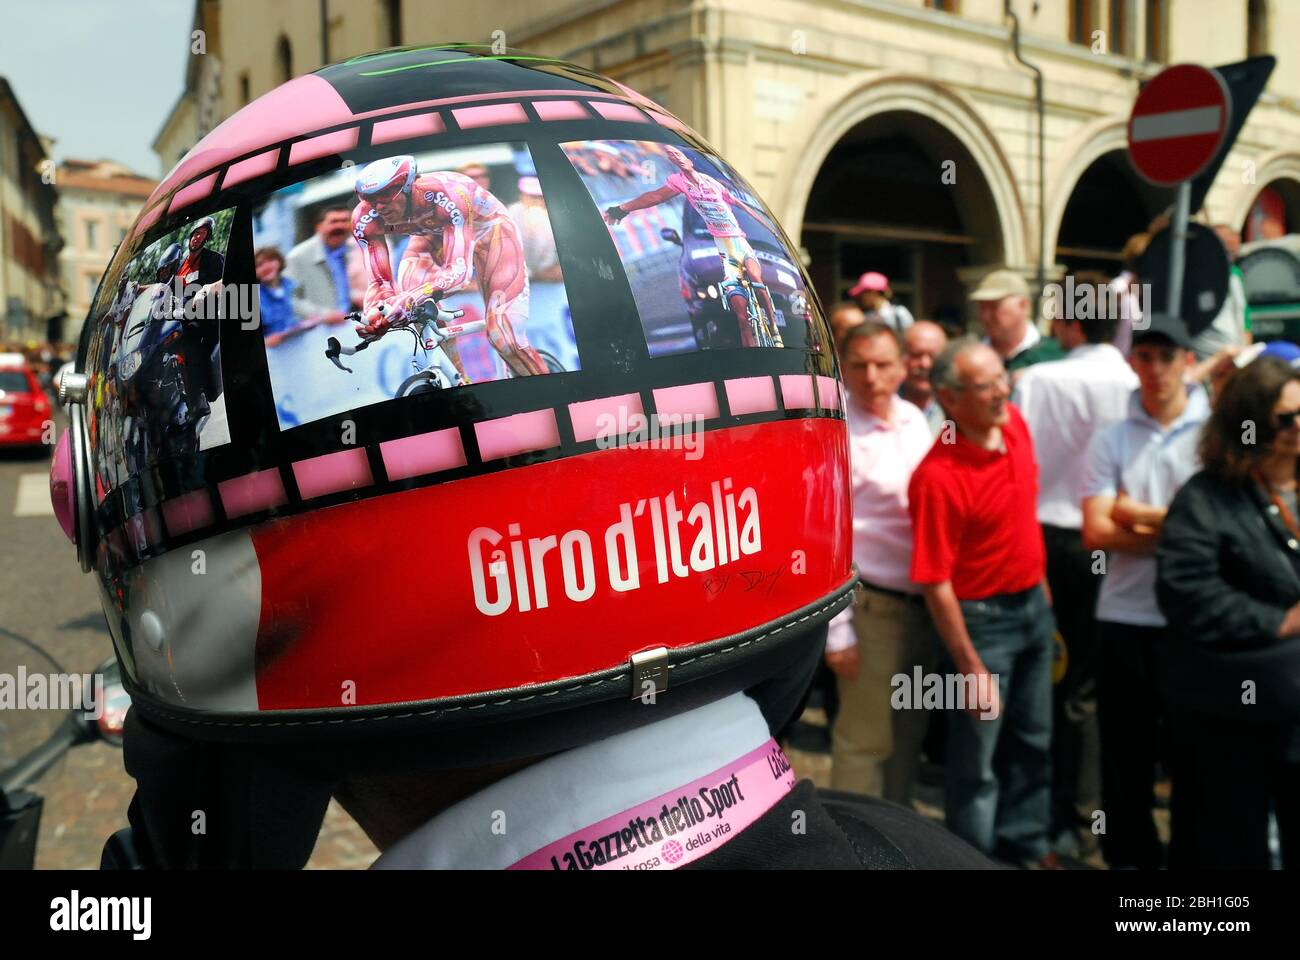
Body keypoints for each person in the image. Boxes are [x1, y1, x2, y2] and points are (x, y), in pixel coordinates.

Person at [56, 45, 995, 872]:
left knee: (504, 337)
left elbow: (461, 249)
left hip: (484, 273)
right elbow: (385, 270)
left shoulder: (459, 203)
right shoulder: (930, 850)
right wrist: (387, 297)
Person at [909, 337, 1058, 867]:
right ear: (949, 398)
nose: (1003, 391)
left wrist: (1041, 591)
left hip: (1032, 609)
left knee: (1035, 739)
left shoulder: (1014, 425)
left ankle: (1026, 844)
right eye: (986, 385)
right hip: (983, 625)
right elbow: (935, 580)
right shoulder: (938, 477)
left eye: (1002, 377)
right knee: (977, 763)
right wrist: (970, 666)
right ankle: (973, 859)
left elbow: (1023, 517)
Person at [1155, 355, 1300, 869]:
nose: (1298, 428)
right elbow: (1186, 592)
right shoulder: (1208, 498)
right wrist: (1279, 621)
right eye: (1285, 419)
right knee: (1229, 849)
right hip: (1233, 715)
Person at [1011, 268, 1138, 853]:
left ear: (1068, 321)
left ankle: (1059, 812)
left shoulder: (1035, 380)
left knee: (1049, 678)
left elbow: (1019, 468)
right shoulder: (1135, 380)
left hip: (1046, 539)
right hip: (1114, 541)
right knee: (1092, 682)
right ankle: (1090, 813)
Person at [1080, 322, 1207, 870]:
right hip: (1126, 615)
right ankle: (1132, 864)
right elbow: (1097, 532)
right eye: (1146, 356)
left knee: (1195, 756)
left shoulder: (1213, 435)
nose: (1155, 367)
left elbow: (1217, 536)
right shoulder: (1112, 436)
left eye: (1166, 356)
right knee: (1125, 754)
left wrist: (1138, 516)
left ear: (1186, 360)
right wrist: (1184, 527)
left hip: (1193, 618)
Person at [824, 321, 937, 804]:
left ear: (903, 367)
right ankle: (852, 848)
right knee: (865, 739)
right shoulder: (836, 427)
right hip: (869, 608)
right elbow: (824, 533)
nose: (872, 377)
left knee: (907, 737)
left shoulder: (914, 417)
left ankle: (896, 839)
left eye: (883, 364)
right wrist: (838, 631)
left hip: (924, 606)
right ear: (842, 368)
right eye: (860, 365)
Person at [351, 155, 549, 377]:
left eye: (386, 195)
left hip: (490, 232)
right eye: (369, 198)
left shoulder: (446, 194)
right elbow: (379, 282)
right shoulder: (365, 217)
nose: (379, 206)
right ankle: (459, 384)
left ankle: (553, 393)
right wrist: (374, 316)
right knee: (413, 298)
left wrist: (410, 299)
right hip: (430, 236)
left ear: (408, 186)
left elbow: (458, 273)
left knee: (503, 338)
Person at [603, 145, 786, 348]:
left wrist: (769, 228)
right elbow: (654, 197)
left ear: (690, 162)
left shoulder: (713, 183)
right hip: (727, 253)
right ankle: (753, 353)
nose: (676, 158)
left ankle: (774, 330)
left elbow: (742, 206)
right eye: (673, 157)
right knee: (742, 318)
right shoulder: (679, 182)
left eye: (679, 155)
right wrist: (622, 209)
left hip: (741, 244)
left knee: (755, 277)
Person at [969, 268, 1063, 373]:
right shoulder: (970, 357)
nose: (985, 316)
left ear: (1023, 305)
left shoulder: (1057, 354)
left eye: (993, 307)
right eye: (982, 308)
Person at [255, 246, 345, 347]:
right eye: (259, 265)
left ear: (279, 261)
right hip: (275, 354)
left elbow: (311, 311)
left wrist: (321, 317)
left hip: (304, 347)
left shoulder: (295, 285)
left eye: (270, 260)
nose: (266, 267)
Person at [285, 206, 362, 319]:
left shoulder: (356, 249)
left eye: (345, 221)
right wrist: (323, 315)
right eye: (334, 221)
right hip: (319, 329)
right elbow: (289, 299)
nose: (340, 226)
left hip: (352, 321)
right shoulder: (298, 256)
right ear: (319, 227)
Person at [1189, 224, 1252, 361]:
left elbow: (1244, 318)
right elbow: (1142, 327)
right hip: (1206, 359)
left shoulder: (1234, 275)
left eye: (1233, 249)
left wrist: (1244, 352)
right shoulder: (1141, 285)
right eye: (1226, 248)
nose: (1230, 254)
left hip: (1234, 357)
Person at [900, 320, 949, 437]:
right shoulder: (880, 408)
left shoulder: (957, 413)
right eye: (916, 355)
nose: (925, 364)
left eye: (933, 356)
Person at [848, 271, 915, 333]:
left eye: (862, 294)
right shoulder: (864, 317)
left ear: (872, 292)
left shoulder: (899, 314)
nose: (860, 298)